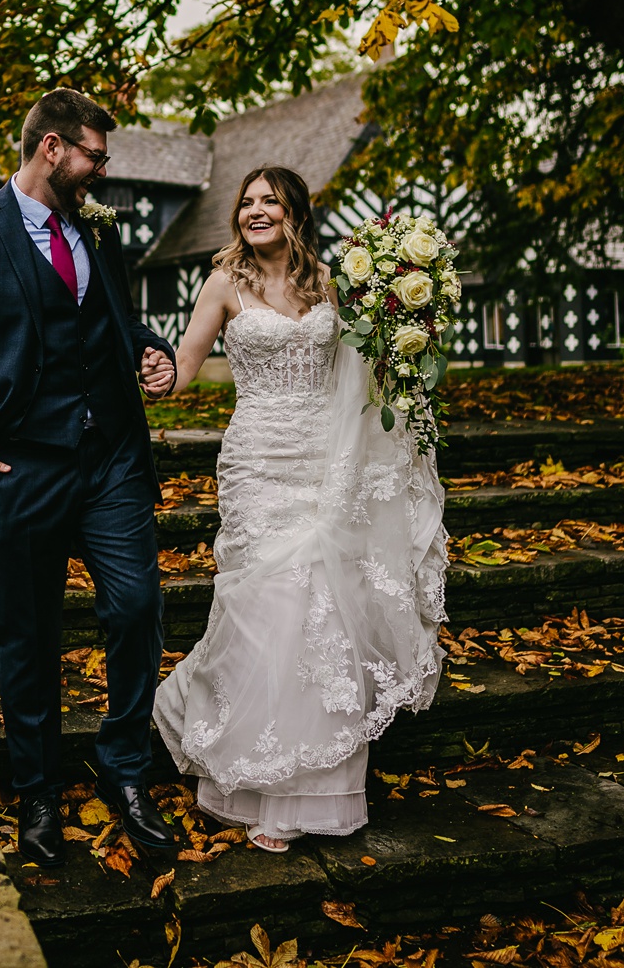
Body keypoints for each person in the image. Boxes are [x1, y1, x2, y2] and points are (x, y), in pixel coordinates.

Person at [0, 89, 181, 867]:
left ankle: (125, 769)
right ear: (52, 148)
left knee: (137, 608)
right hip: (21, 466)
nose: (103, 170)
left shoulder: (98, 228)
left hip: (111, 459)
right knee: (28, 636)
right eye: (95, 155)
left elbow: (117, 321)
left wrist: (152, 350)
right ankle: (37, 792)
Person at [152, 166, 448, 852]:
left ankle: (308, 793)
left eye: (270, 201)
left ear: (295, 214)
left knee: (324, 611)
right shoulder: (223, 283)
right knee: (267, 609)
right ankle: (254, 775)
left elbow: (367, 366)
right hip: (257, 464)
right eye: (246, 202)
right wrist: (161, 374)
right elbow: (186, 364)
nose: (254, 211)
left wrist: (407, 334)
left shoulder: (332, 284)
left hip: (326, 463)